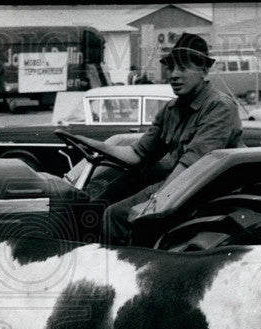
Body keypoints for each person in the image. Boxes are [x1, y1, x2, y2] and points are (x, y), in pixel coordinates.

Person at [89, 33, 243, 244]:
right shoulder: (171, 110)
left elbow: (192, 164)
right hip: (183, 185)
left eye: (183, 68)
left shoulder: (219, 107)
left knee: (116, 217)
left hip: (209, 191)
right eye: (171, 68)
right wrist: (95, 145)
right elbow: (138, 154)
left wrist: (156, 201)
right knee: (101, 205)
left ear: (204, 70)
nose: (174, 75)